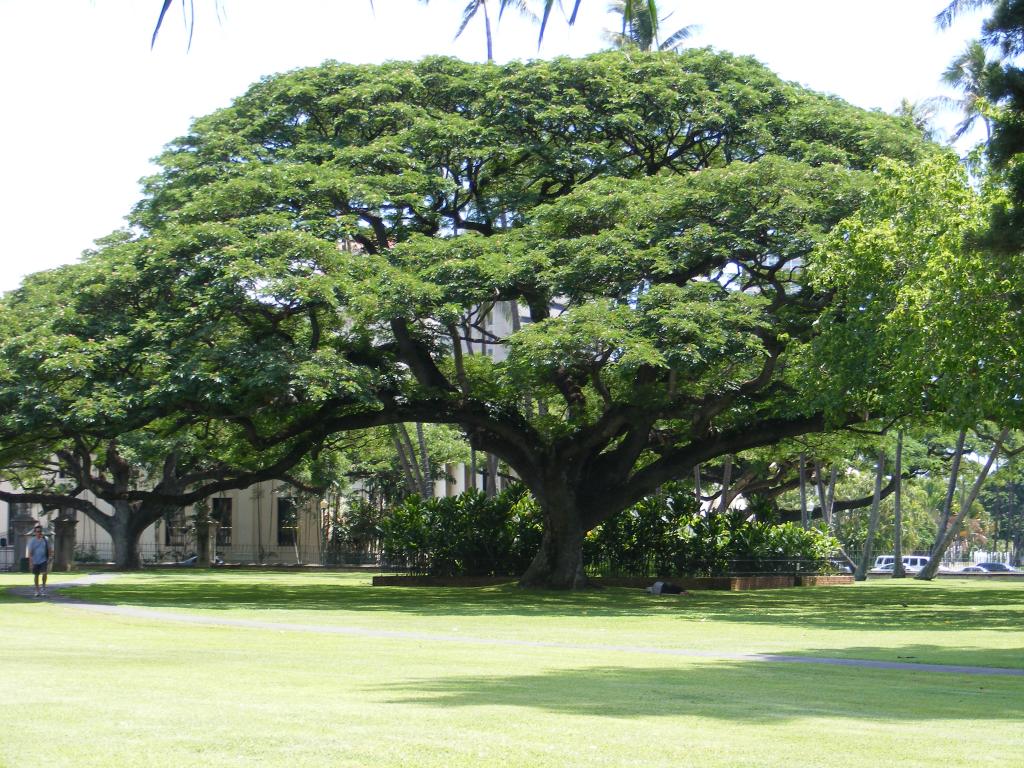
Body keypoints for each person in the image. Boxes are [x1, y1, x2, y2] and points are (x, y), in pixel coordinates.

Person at [27, 523, 51, 597]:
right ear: (35, 532)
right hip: (35, 561)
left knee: (44, 573)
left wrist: (50, 557)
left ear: (41, 532)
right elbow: (30, 553)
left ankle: (43, 588)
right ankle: (37, 590)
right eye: (37, 531)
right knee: (36, 575)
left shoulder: (45, 539)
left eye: (40, 531)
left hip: (43, 560)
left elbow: (49, 549)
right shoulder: (32, 541)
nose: (39, 533)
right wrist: (31, 563)